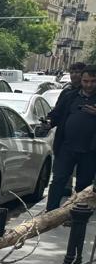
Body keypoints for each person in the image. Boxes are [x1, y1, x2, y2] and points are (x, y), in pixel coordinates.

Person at [45, 65, 96, 211]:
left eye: (93, 81)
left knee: (84, 185)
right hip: (66, 147)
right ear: (82, 80)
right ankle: (50, 212)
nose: (89, 85)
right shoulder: (70, 96)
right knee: (58, 180)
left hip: (90, 150)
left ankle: (76, 215)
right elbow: (56, 115)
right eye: (86, 81)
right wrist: (48, 123)